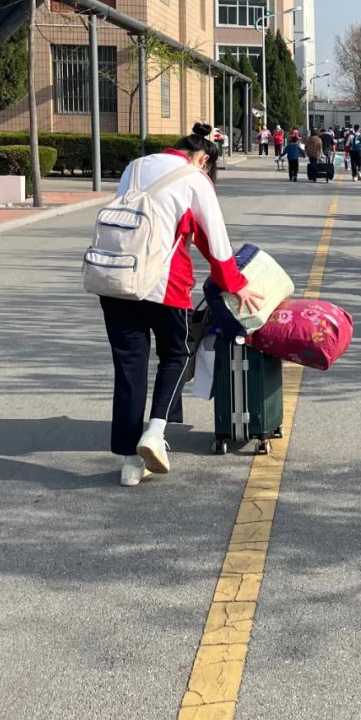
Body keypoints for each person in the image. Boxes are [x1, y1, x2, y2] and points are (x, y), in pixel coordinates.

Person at [99, 123, 265, 487]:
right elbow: (216, 244)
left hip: (116, 280)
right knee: (176, 354)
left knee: (129, 369)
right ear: (204, 158)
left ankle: (130, 463)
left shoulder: (135, 167)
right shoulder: (194, 179)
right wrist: (237, 286)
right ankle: (154, 433)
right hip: (164, 285)